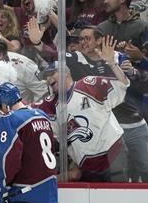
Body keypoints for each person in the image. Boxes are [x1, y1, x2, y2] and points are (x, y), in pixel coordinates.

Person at [39, 50, 127, 182]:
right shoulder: (50, 105)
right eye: (46, 77)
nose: (48, 79)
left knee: (119, 199)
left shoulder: (87, 85)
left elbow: (122, 85)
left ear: (66, 73)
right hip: (88, 166)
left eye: (52, 74)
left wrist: (112, 64)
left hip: (113, 155)